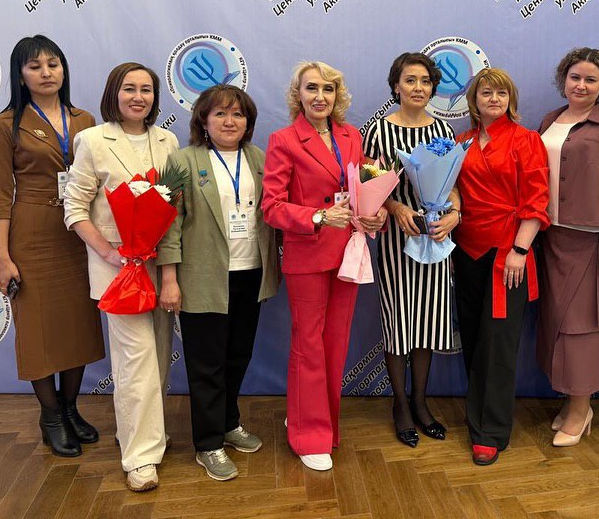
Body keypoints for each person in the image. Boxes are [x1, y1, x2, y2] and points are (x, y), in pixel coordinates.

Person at [262, 61, 387, 471]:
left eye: (328, 89)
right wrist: (317, 216)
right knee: (309, 344)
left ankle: (321, 421)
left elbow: (362, 189)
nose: (320, 96)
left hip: (349, 252)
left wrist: (376, 214)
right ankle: (308, 433)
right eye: (311, 88)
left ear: (337, 95)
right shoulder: (283, 140)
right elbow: (271, 207)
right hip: (308, 256)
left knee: (335, 342)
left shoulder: (351, 136)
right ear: (298, 94)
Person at [0, 35, 105, 458]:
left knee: (77, 323)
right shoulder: (7, 124)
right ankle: (51, 416)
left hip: (79, 232)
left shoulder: (85, 119)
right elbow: (0, 196)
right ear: (20, 76)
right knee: (37, 328)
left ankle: (71, 409)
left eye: (53, 64)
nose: (46, 73)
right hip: (32, 233)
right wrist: (3, 258)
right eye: (35, 66)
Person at [64, 62, 180, 491]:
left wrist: (169, 272)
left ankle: (147, 433)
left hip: (160, 265)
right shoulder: (93, 140)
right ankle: (140, 457)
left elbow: (173, 210)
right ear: (114, 93)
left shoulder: (167, 140)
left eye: (146, 90)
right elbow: (74, 208)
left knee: (160, 355)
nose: (138, 97)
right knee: (136, 359)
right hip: (117, 270)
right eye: (129, 88)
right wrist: (108, 252)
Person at [156, 85, 279, 481]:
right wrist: (169, 278)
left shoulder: (259, 158)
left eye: (238, 114)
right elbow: (168, 224)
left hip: (251, 273)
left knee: (237, 356)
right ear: (203, 121)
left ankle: (228, 423)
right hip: (202, 277)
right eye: (220, 114)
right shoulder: (181, 161)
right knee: (206, 364)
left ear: (248, 122)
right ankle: (208, 444)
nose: (230, 121)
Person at [535, 48, 599, 447]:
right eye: (575, 77)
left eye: (591, 79)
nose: (581, 85)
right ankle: (571, 402)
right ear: (564, 79)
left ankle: (581, 410)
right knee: (557, 326)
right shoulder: (549, 121)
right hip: (551, 238)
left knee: (584, 328)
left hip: (592, 242)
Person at [362, 52, 460, 447]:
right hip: (396, 239)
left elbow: (453, 182)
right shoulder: (378, 131)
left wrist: (455, 214)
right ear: (396, 86)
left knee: (427, 321)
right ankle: (400, 403)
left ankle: (420, 400)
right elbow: (370, 184)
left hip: (434, 236)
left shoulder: (443, 130)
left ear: (433, 88)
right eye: (410, 80)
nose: (418, 88)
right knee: (399, 320)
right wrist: (396, 207)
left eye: (425, 81)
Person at [453, 67, 549, 466]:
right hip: (466, 251)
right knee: (475, 338)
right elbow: (451, 191)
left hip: (507, 254)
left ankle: (491, 431)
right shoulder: (460, 142)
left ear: (511, 99)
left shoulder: (526, 140)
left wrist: (520, 250)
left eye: (501, 93)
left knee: (499, 344)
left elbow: (537, 200)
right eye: (486, 93)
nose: (494, 99)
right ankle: (476, 416)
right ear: (474, 100)